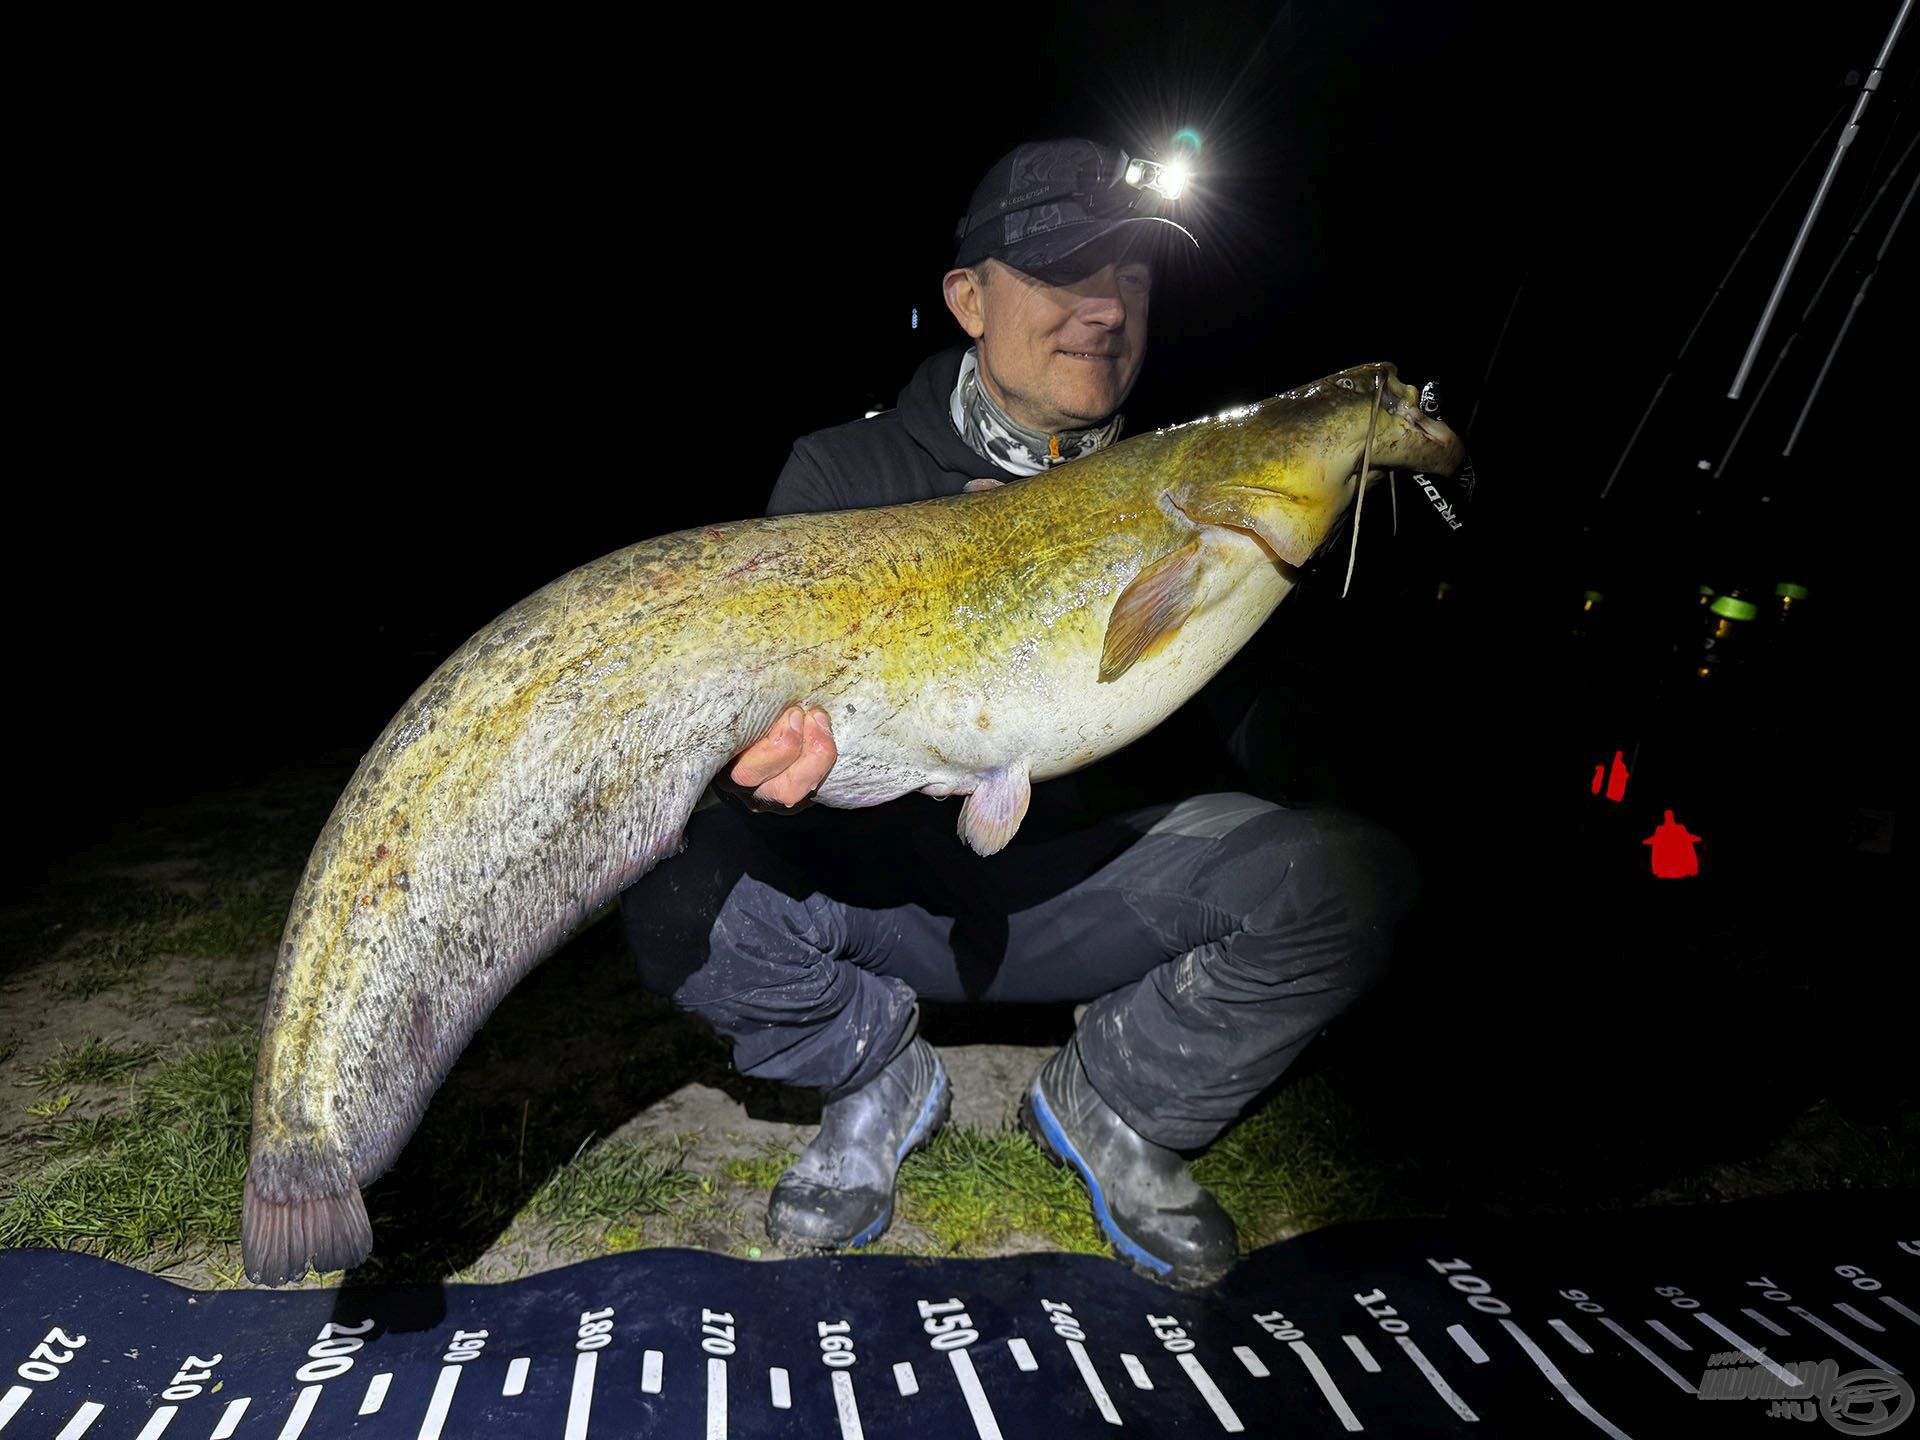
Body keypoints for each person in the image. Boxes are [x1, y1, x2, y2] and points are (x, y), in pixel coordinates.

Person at [619, 138, 1415, 1289]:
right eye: (1060, 274)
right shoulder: (841, 473)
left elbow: (1272, 733)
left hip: (1093, 894)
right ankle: (874, 1071)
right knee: (674, 882)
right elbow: (770, 722)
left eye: (1132, 277)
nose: (1104, 309)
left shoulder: (1201, 493)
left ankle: (1116, 1099)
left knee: (1356, 874)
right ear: (969, 300)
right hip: (886, 903)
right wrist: (761, 762)